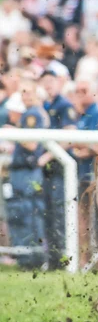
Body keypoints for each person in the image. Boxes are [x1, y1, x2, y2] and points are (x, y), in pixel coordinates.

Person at [5, 80, 48, 269]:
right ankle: (31, 257)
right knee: (28, 212)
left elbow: (31, 144)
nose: (26, 96)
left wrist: (14, 132)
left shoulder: (31, 115)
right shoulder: (36, 113)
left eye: (29, 92)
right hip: (25, 172)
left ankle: (30, 259)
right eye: (23, 92)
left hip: (27, 173)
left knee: (26, 212)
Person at [39, 70, 78, 270]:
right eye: (44, 82)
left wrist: (49, 154)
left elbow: (71, 133)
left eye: (50, 81)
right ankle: (52, 259)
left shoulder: (64, 105)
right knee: (48, 214)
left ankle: (64, 259)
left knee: (60, 213)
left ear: (59, 82)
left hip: (59, 170)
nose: (47, 86)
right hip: (46, 171)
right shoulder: (44, 106)